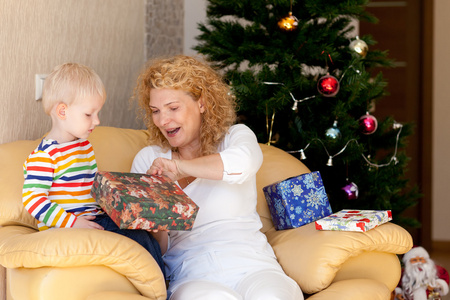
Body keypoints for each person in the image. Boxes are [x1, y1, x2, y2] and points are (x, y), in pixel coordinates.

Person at [131, 55, 303, 300]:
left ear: (201, 102)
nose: (163, 120)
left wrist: (180, 167)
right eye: (155, 111)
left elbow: (242, 164)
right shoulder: (149, 159)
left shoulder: (235, 137)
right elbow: (160, 247)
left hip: (255, 267)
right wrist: (157, 221)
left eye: (173, 108)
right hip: (192, 275)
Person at [22, 62, 165, 275]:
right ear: (62, 111)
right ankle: (163, 288)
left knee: (142, 232)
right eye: (89, 114)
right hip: (66, 226)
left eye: (97, 113)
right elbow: (33, 200)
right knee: (138, 240)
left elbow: (90, 187)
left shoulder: (83, 146)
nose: (97, 121)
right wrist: (72, 223)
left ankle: (163, 282)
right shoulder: (45, 156)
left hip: (93, 216)